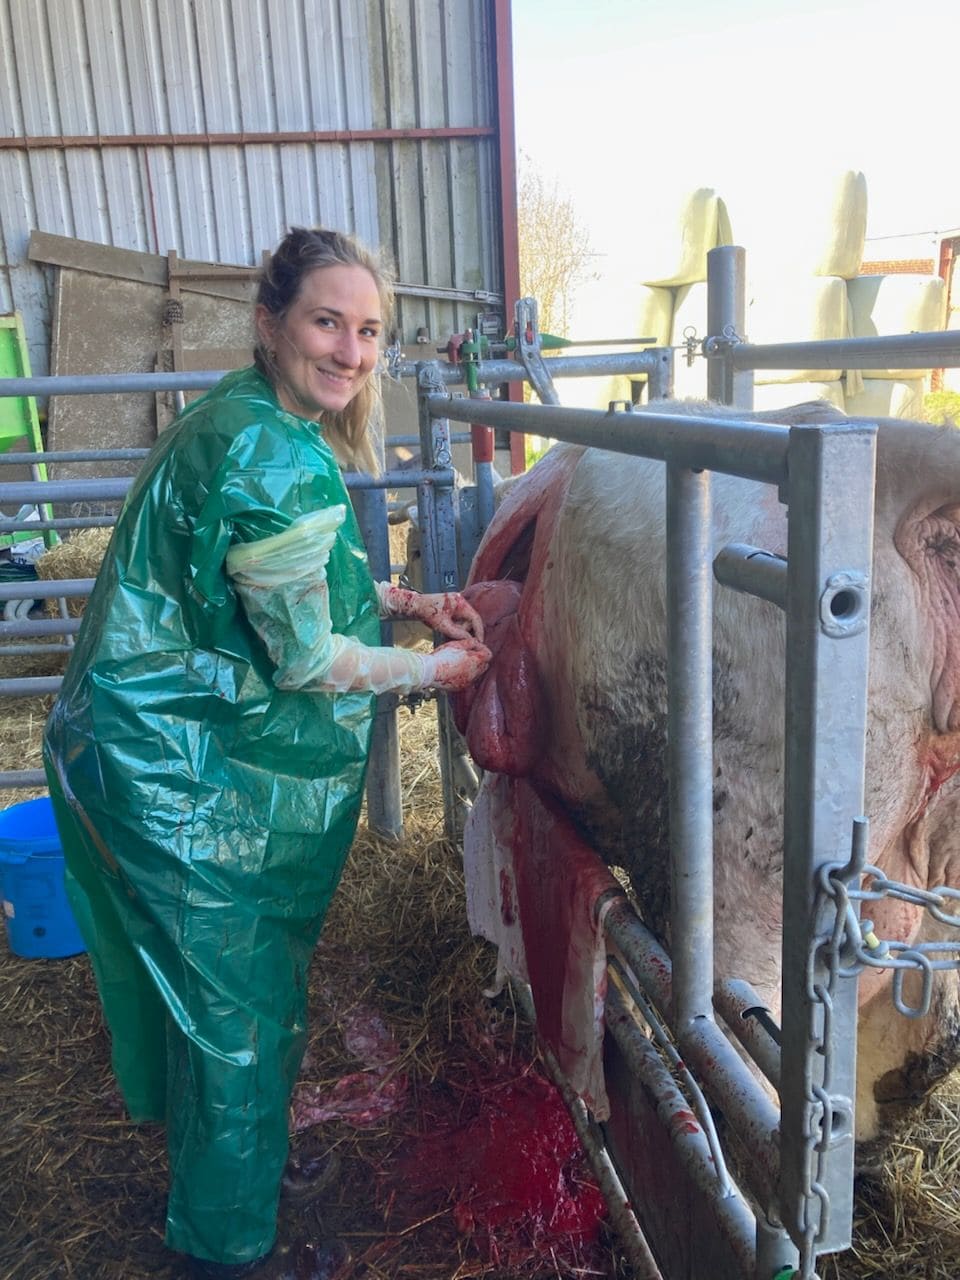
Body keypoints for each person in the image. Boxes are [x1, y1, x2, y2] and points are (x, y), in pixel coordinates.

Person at [42, 226, 492, 1279]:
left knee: (223, 1004)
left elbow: (285, 583)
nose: (350, 350)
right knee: (237, 1019)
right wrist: (436, 671)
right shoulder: (271, 452)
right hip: (181, 780)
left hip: (155, 751)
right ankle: (226, 1249)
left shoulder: (253, 420)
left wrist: (407, 599)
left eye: (369, 330)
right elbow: (305, 657)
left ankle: (230, 1169)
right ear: (269, 322)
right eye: (327, 322)